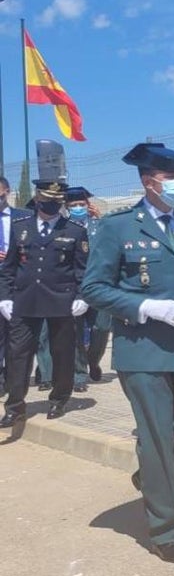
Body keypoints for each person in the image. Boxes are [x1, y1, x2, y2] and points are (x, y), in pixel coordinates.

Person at [80, 142, 174, 564]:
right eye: (171, 179)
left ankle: (152, 477)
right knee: (156, 436)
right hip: (143, 348)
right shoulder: (118, 227)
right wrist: (148, 308)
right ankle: (165, 528)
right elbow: (94, 288)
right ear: (148, 182)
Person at [0, 180, 89, 427]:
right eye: (48, 200)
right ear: (38, 199)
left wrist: (82, 297)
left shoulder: (74, 230)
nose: (52, 205)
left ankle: (59, 399)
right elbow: (9, 268)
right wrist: (4, 297)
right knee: (18, 354)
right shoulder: (20, 227)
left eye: (57, 201)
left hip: (61, 300)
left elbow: (82, 270)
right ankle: (15, 406)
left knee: (62, 353)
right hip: (25, 300)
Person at [63, 186, 110, 393]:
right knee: (76, 331)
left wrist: (101, 219)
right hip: (73, 286)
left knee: (102, 327)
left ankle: (93, 360)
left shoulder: (99, 225)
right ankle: (79, 374)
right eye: (73, 205)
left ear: (88, 205)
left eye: (81, 204)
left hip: (100, 284)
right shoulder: (63, 227)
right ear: (67, 207)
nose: (78, 208)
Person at [0, 177, 32, 392]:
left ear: (7, 191)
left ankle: (14, 379)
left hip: (17, 283)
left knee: (17, 335)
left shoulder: (24, 217)